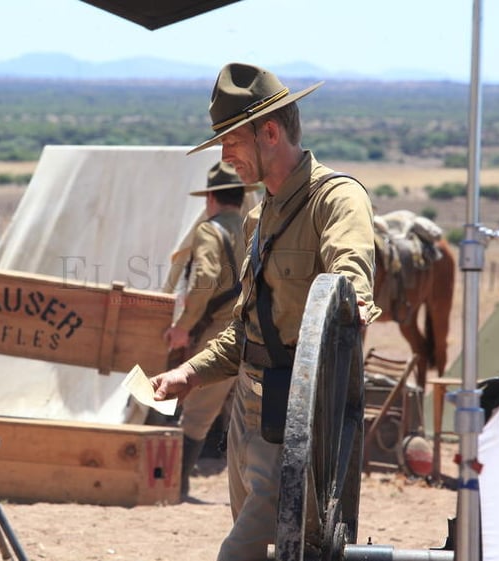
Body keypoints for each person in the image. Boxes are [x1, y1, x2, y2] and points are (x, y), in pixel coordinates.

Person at [151, 63, 380, 560]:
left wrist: (354, 300)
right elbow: (246, 330)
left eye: (231, 142)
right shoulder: (259, 216)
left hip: (295, 418)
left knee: (240, 553)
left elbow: (349, 271)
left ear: (270, 131)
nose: (225, 156)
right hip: (247, 413)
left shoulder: (336, 199)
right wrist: (188, 373)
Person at [164, 161, 257, 498]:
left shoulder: (209, 230)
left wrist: (182, 327)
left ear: (211, 199)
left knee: (195, 412)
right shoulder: (252, 228)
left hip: (216, 331)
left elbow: (203, 281)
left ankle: (175, 485)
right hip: (251, 330)